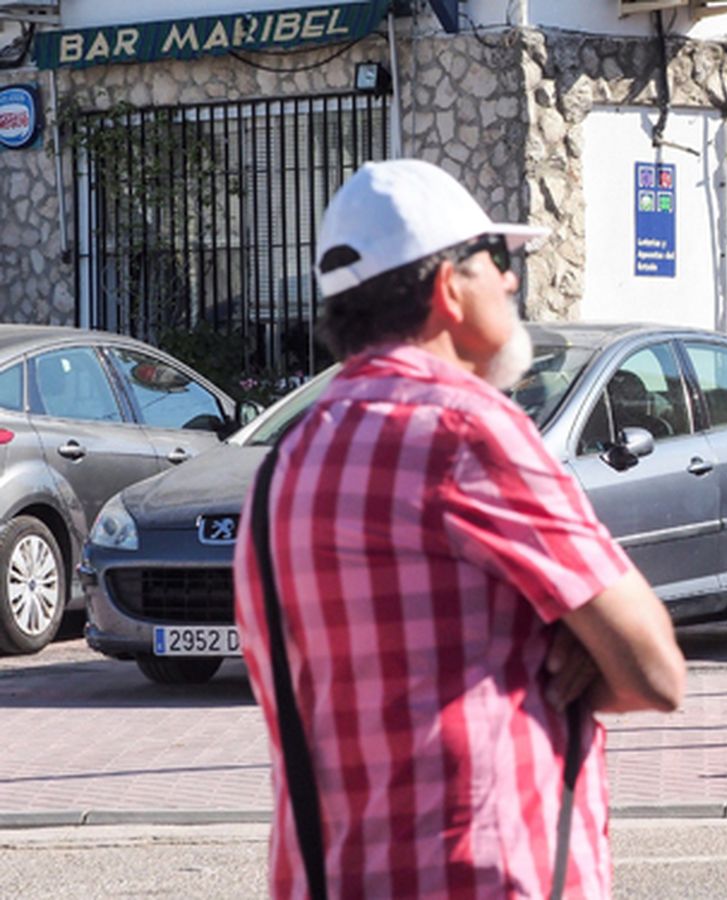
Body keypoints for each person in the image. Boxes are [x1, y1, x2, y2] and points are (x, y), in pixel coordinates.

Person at [233, 159, 687, 898]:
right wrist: (584, 646)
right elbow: (656, 672)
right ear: (448, 287)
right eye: (497, 259)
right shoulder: (468, 429)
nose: (511, 281)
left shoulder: (286, 459)